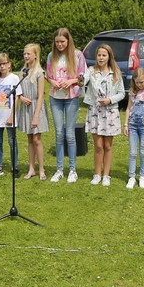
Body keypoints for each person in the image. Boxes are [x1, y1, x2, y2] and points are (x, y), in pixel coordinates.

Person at [46, 28, 86, 184]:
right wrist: (53, 82)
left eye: (62, 41)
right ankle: (59, 169)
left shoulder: (77, 55)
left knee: (70, 134)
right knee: (58, 133)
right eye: (57, 42)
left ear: (68, 41)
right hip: (55, 97)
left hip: (71, 97)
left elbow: (82, 77)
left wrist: (71, 81)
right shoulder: (51, 56)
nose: (60, 45)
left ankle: (73, 170)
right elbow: (48, 75)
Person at [83, 43, 124, 187]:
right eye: (99, 55)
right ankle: (97, 174)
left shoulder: (116, 72)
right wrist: (79, 79)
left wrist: (110, 100)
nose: (101, 58)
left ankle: (106, 175)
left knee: (107, 145)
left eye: (104, 55)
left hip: (110, 112)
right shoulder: (91, 71)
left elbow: (122, 93)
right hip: (95, 112)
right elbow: (83, 80)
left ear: (109, 57)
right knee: (98, 145)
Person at [16, 44, 49, 179]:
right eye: (24, 54)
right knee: (29, 138)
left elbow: (41, 95)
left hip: (36, 107)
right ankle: (31, 168)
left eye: (28, 54)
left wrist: (36, 116)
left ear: (35, 55)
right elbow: (18, 91)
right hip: (26, 107)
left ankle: (41, 169)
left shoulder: (39, 73)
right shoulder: (23, 71)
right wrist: (21, 98)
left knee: (36, 139)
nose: (26, 56)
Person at [123, 67, 144, 190]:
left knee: (143, 152)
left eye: (141, 82)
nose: (139, 85)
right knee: (133, 152)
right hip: (133, 125)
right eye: (137, 82)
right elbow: (128, 108)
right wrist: (126, 124)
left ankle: (142, 176)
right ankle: (131, 177)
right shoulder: (133, 92)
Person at [0, 53, 20, 178]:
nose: (2, 66)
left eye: (4, 64)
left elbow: (17, 98)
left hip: (9, 116)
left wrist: (12, 116)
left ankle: (14, 167)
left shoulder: (14, 78)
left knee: (12, 142)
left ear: (9, 64)